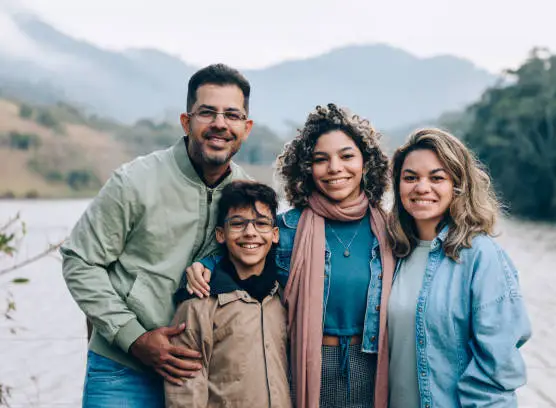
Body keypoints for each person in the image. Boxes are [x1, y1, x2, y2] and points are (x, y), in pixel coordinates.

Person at [60, 63, 254, 407]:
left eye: (232, 115)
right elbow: (80, 260)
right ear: (186, 121)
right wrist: (134, 338)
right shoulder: (134, 181)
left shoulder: (247, 196)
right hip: (123, 369)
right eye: (207, 112)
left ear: (246, 127)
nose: (220, 124)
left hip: (200, 373)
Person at [187, 103, 395, 408]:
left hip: (373, 364)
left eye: (347, 156)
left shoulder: (392, 231)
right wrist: (204, 265)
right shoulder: (287, 230)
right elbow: (239, 253)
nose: (335, 168)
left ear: (366, 163)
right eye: (320, 159)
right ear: (307, 169)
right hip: (308, 363)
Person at [386, 128, 532, 408]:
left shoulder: (481, 257)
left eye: (437, 177)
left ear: (458, 184)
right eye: (410, 178)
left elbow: (496, 370)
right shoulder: (392, 252)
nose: (421, 187)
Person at [165, 180, 291, 408]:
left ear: (275, 235)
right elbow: (184, 391)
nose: (250, 233)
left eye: (261, 223)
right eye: (238, 224)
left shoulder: (284, 298)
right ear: (221, 234)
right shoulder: (198, 305)